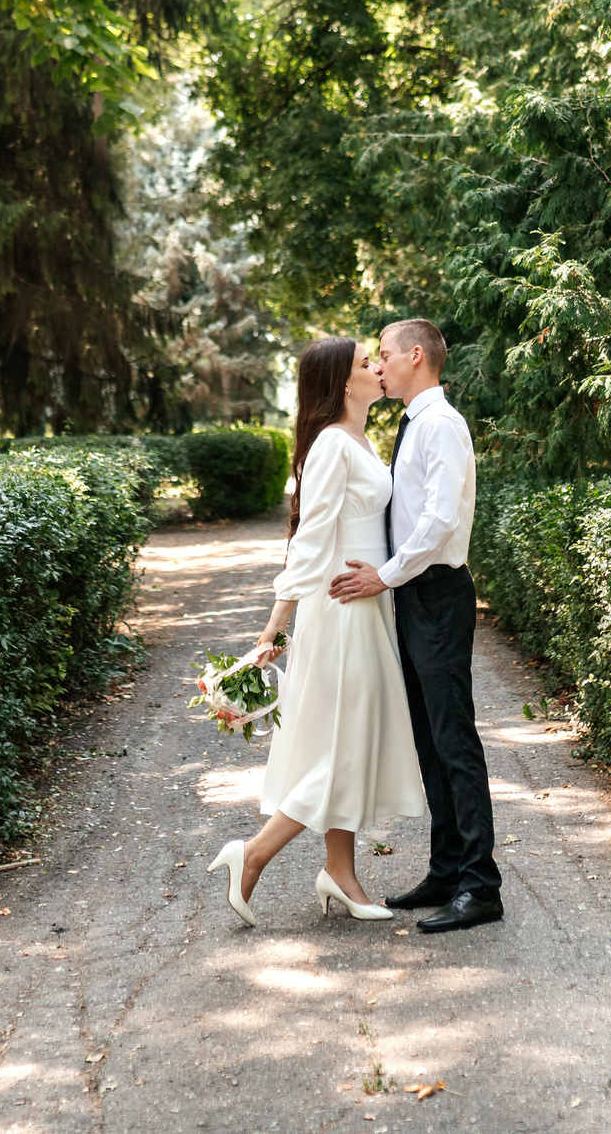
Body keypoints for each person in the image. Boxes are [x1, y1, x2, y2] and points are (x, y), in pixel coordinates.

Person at [208, 336, 425, 925]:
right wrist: (274, 626)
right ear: (341, 382)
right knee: (342, 743)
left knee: (346, 738)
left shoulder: (359, 439)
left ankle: (341, 873)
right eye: (365, 363)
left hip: (367, 599)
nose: (379, 367)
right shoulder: (333, 444)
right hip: (341, 607)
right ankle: (252, 854)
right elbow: (309, 537)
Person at [328, 319, 500, 934]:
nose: (380, 366)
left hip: (436, 593)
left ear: (416, 356)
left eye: (385, 355)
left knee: (454, 740)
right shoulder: (415, 423)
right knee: (431, 740)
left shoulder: (441, 425)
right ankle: (447, 869)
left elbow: (439, 518)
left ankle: (481, 886)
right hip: (413, 594)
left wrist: (386, 575)